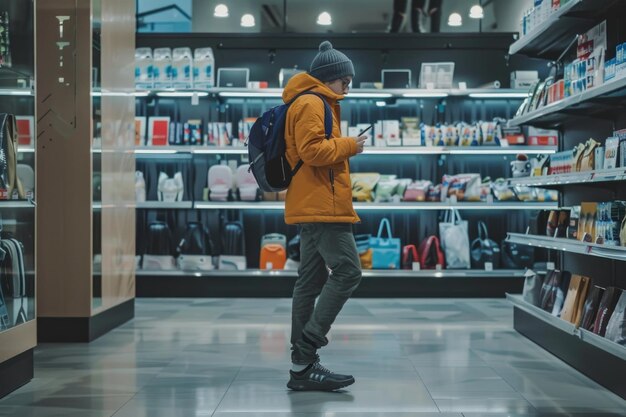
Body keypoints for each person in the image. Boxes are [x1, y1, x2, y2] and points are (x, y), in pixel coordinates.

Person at [282, 40, 367, 391]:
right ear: (327, 78)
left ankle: (302, 369)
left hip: (315, 203)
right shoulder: (312, 103)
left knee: (310, 282)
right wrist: (351, 145)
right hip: (322, 206)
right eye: (343, 80)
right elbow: (313, 150)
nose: (348, 86)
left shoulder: (314, 101)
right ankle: (306, 347)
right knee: (348, 271)